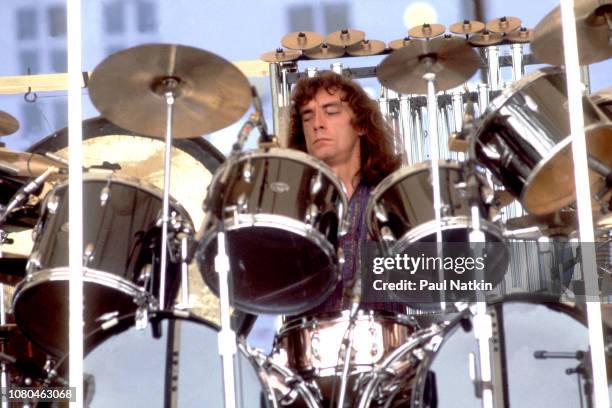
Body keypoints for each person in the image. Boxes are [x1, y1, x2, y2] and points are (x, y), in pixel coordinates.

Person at [288, 71, 404, 314]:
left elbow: (439, 277)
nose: (317, 123)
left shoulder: (396, 199)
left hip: (388, 344)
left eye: (331, 112)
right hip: (310, 345)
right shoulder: (293, 209)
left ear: (361, 124)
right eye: (307, 117)